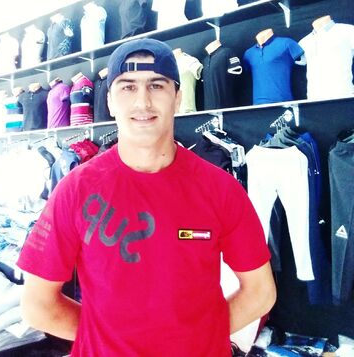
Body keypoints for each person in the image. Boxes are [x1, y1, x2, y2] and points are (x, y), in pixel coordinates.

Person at [18, 37, 276, 356]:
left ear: (177, 98)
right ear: (110, 101)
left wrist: (199, 336)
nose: (143, 101)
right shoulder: (75, 190)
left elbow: (261, 292)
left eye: (156, 85)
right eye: (128, 87)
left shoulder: (221, 189)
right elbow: (37, 305)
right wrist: (104, 337)